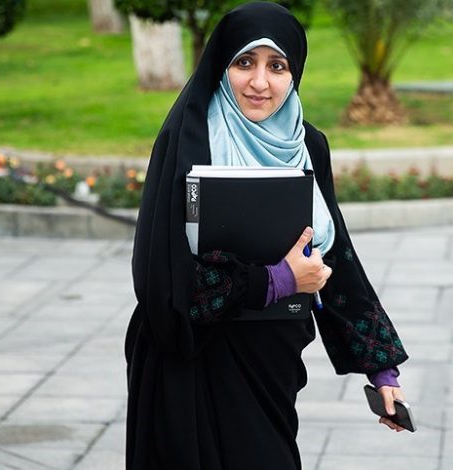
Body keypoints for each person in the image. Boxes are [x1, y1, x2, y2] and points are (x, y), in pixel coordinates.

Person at [124, 2, 410, 469]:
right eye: (245, 63)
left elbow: (334, 253)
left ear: (294, 73)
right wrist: (276, 280)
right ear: (222, 66)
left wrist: (380, 367)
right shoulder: (188, 140)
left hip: (271, 360)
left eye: (277, 66)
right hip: (191, 363)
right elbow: (163, 278)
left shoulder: (308, 145)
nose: (260, 82)